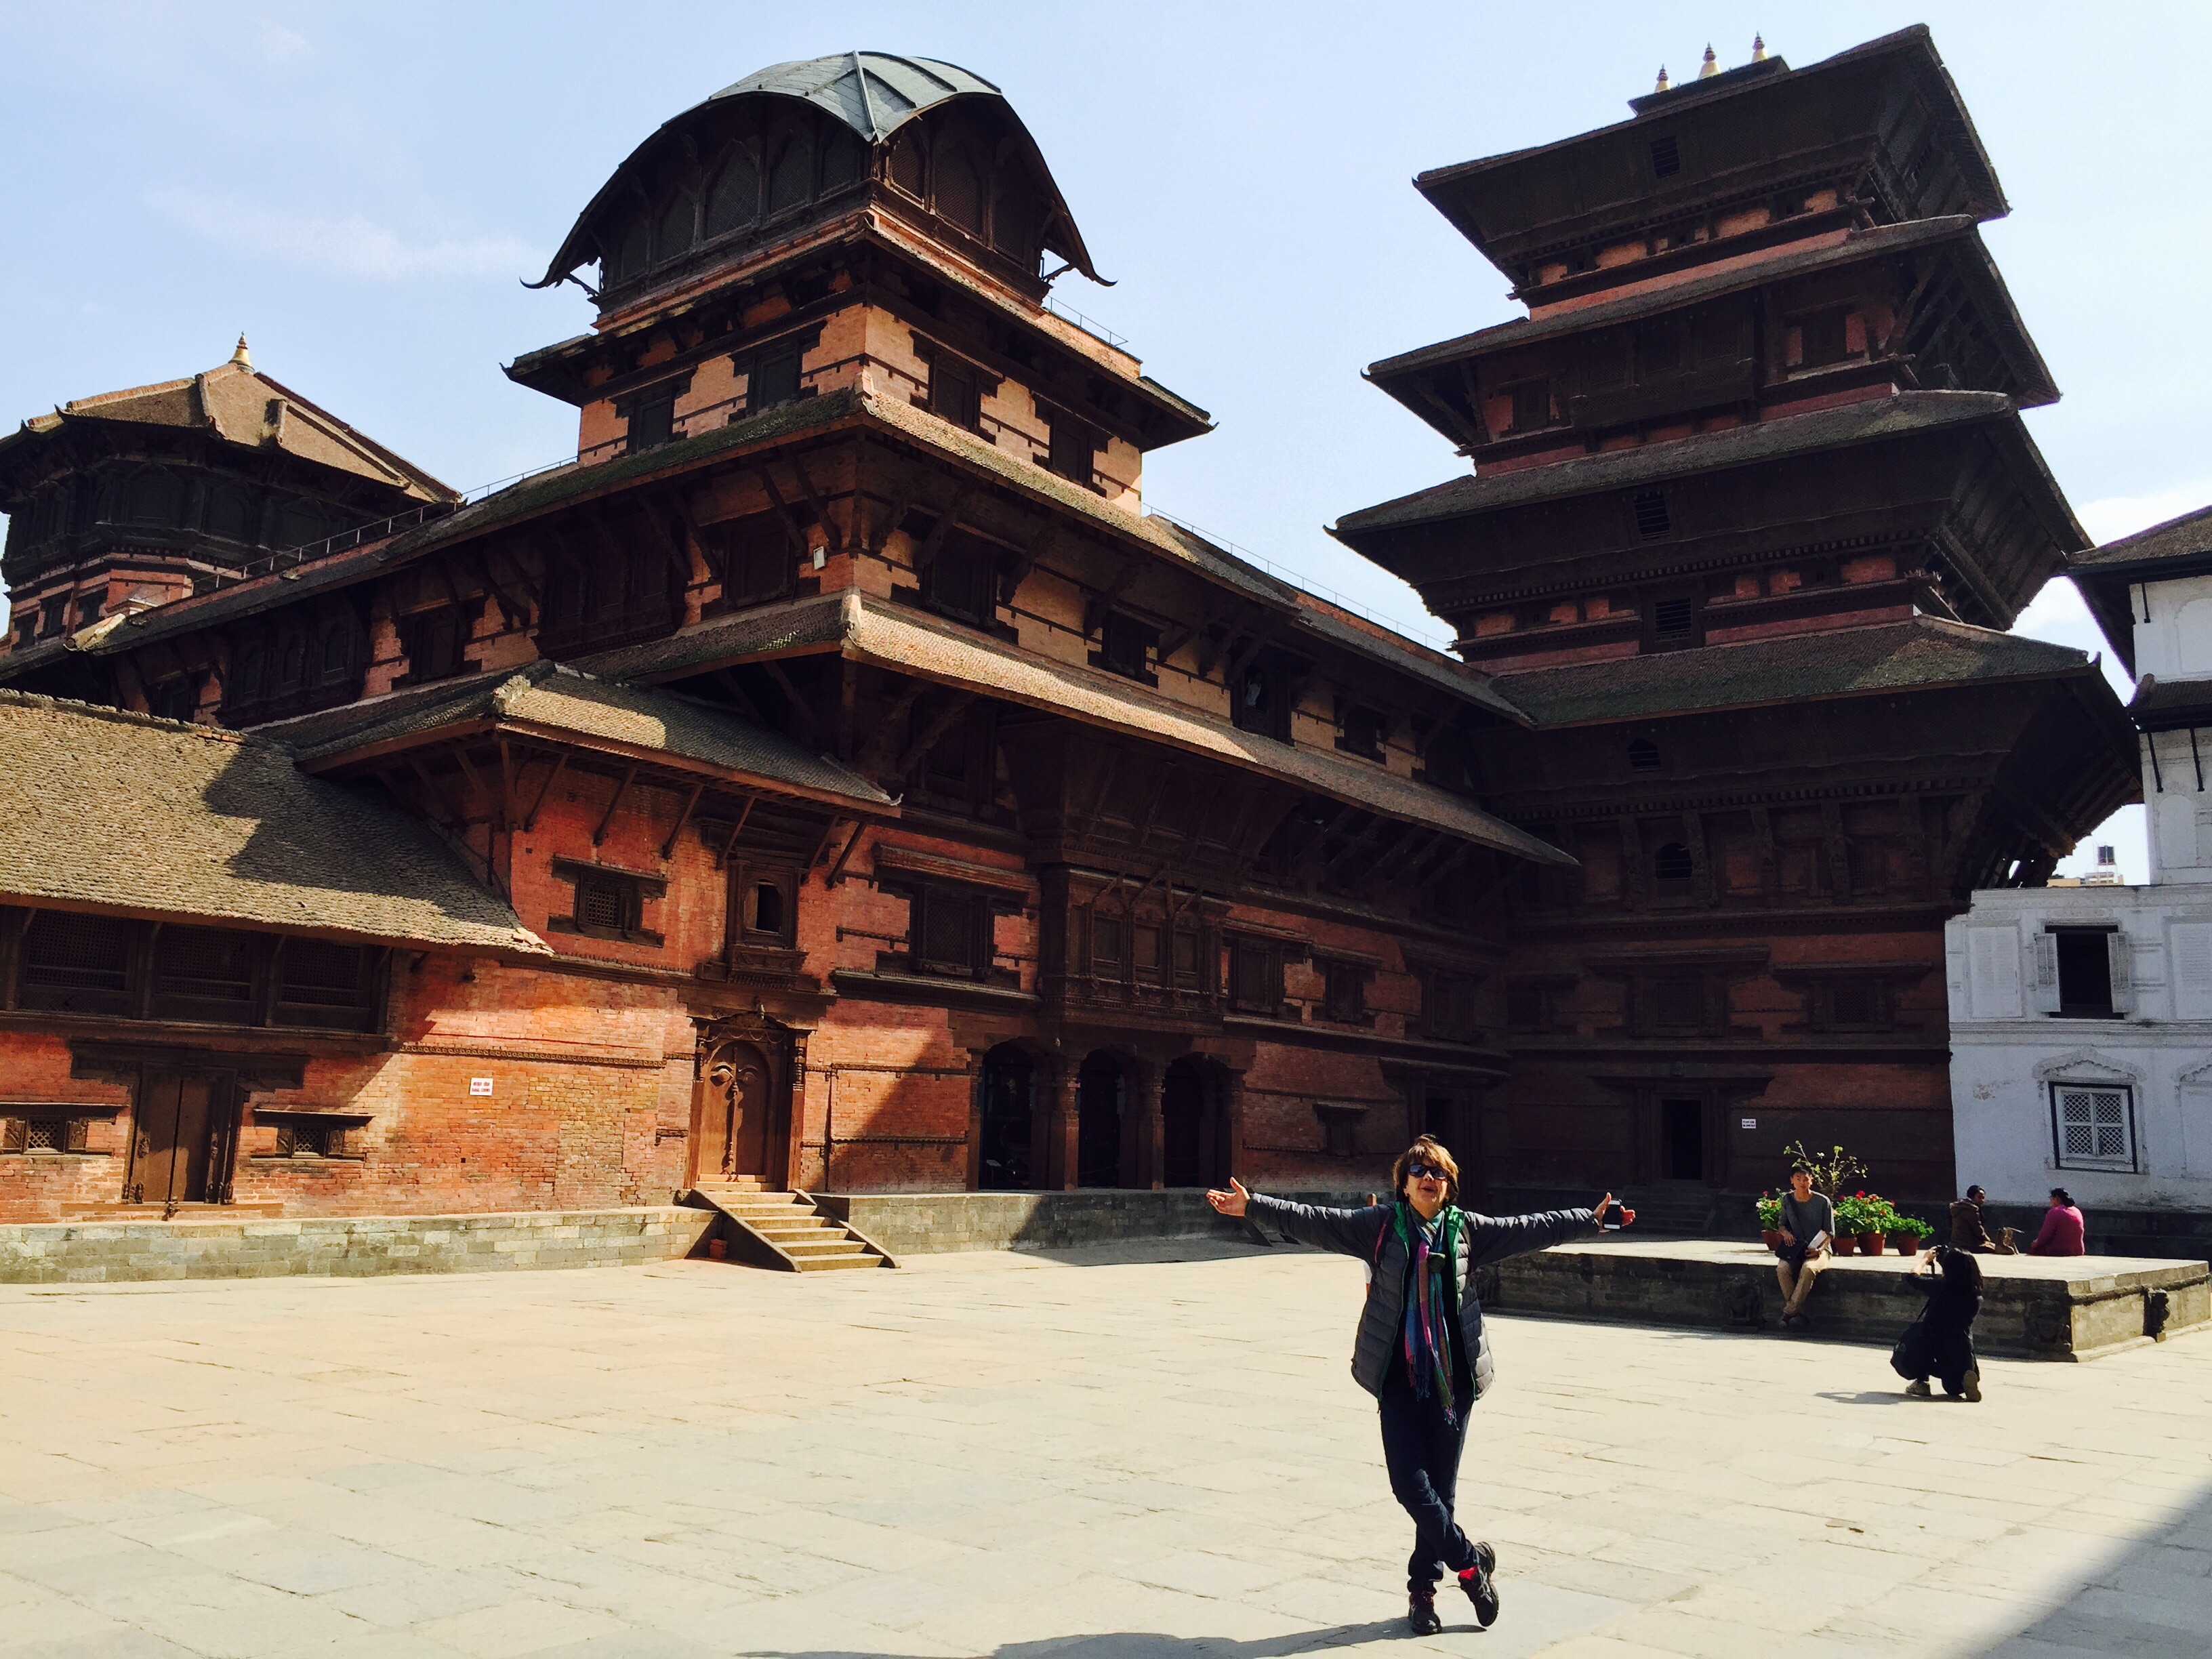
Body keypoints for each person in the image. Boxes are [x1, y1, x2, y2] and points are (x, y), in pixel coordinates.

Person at [1206, 1138, 1615, 1637]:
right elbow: (1316, 1220)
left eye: (1438, 1172)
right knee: (1409, 1484)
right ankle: (1471, 1564)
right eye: (1418, 1170)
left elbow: (1528, 1229)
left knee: (1440, 1490)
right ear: (1403, 1182)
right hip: (1398, 1379)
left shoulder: (1468, 1231)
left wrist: (1588, 1220)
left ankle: (1423, 1593)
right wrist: (1254, 1206)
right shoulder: (1378, 1227)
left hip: (1454, 1382)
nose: (1428, 1178)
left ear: (1449, 1186)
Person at [1901, 1244, 1984, 1401]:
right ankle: (1967, 1377)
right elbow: (1957, 1277)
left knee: (1910, 1352)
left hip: (1935, 1347)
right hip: (1963, 1348)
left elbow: (1912, 1277)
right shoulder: (1976, 1296)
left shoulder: (1939, 1288)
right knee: (1953, 1389)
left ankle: (1922, 1382)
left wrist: (1926, 1260)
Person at [1773, 1164, 1834, 1330]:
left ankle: (1788, 1313)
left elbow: (1829, 1233)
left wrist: (1819, 1250)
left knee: (1808, 1269)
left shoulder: (1823, 1202)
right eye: (1798, 1179)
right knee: (1782, 1269)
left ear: (1811, 1181)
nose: (1802, 1183)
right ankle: (1797, 1313)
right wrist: (1786, 1234)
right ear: (1792, 1181)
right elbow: (1781, 1224)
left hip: (1819, 1249)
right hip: (1796, 1249)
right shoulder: (1788, 1200)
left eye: (1805, 1179)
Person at [1948, 1185, 2015, 1253]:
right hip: (1968, 1244)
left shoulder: (1960, 1206)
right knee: (1997, 1248)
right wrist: (1987, 1239)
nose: (1982, 1200)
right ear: (1972, 1197)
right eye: (1979, 1197)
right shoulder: (1971, 1209)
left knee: (1992, 1245)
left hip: (1956, 1243)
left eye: (1983, 1198)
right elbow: (1977, 1228)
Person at [2028, 1187, 2087, 1256]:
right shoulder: (2076, 1211)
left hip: (2058, 1250)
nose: (2050, 1200)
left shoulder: (2054, 1212)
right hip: (2077, 1250)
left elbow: (2045, 1235)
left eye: (2051, 1198)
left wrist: (2035, 1244)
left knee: (2034, 1249)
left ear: (2057, 1198)